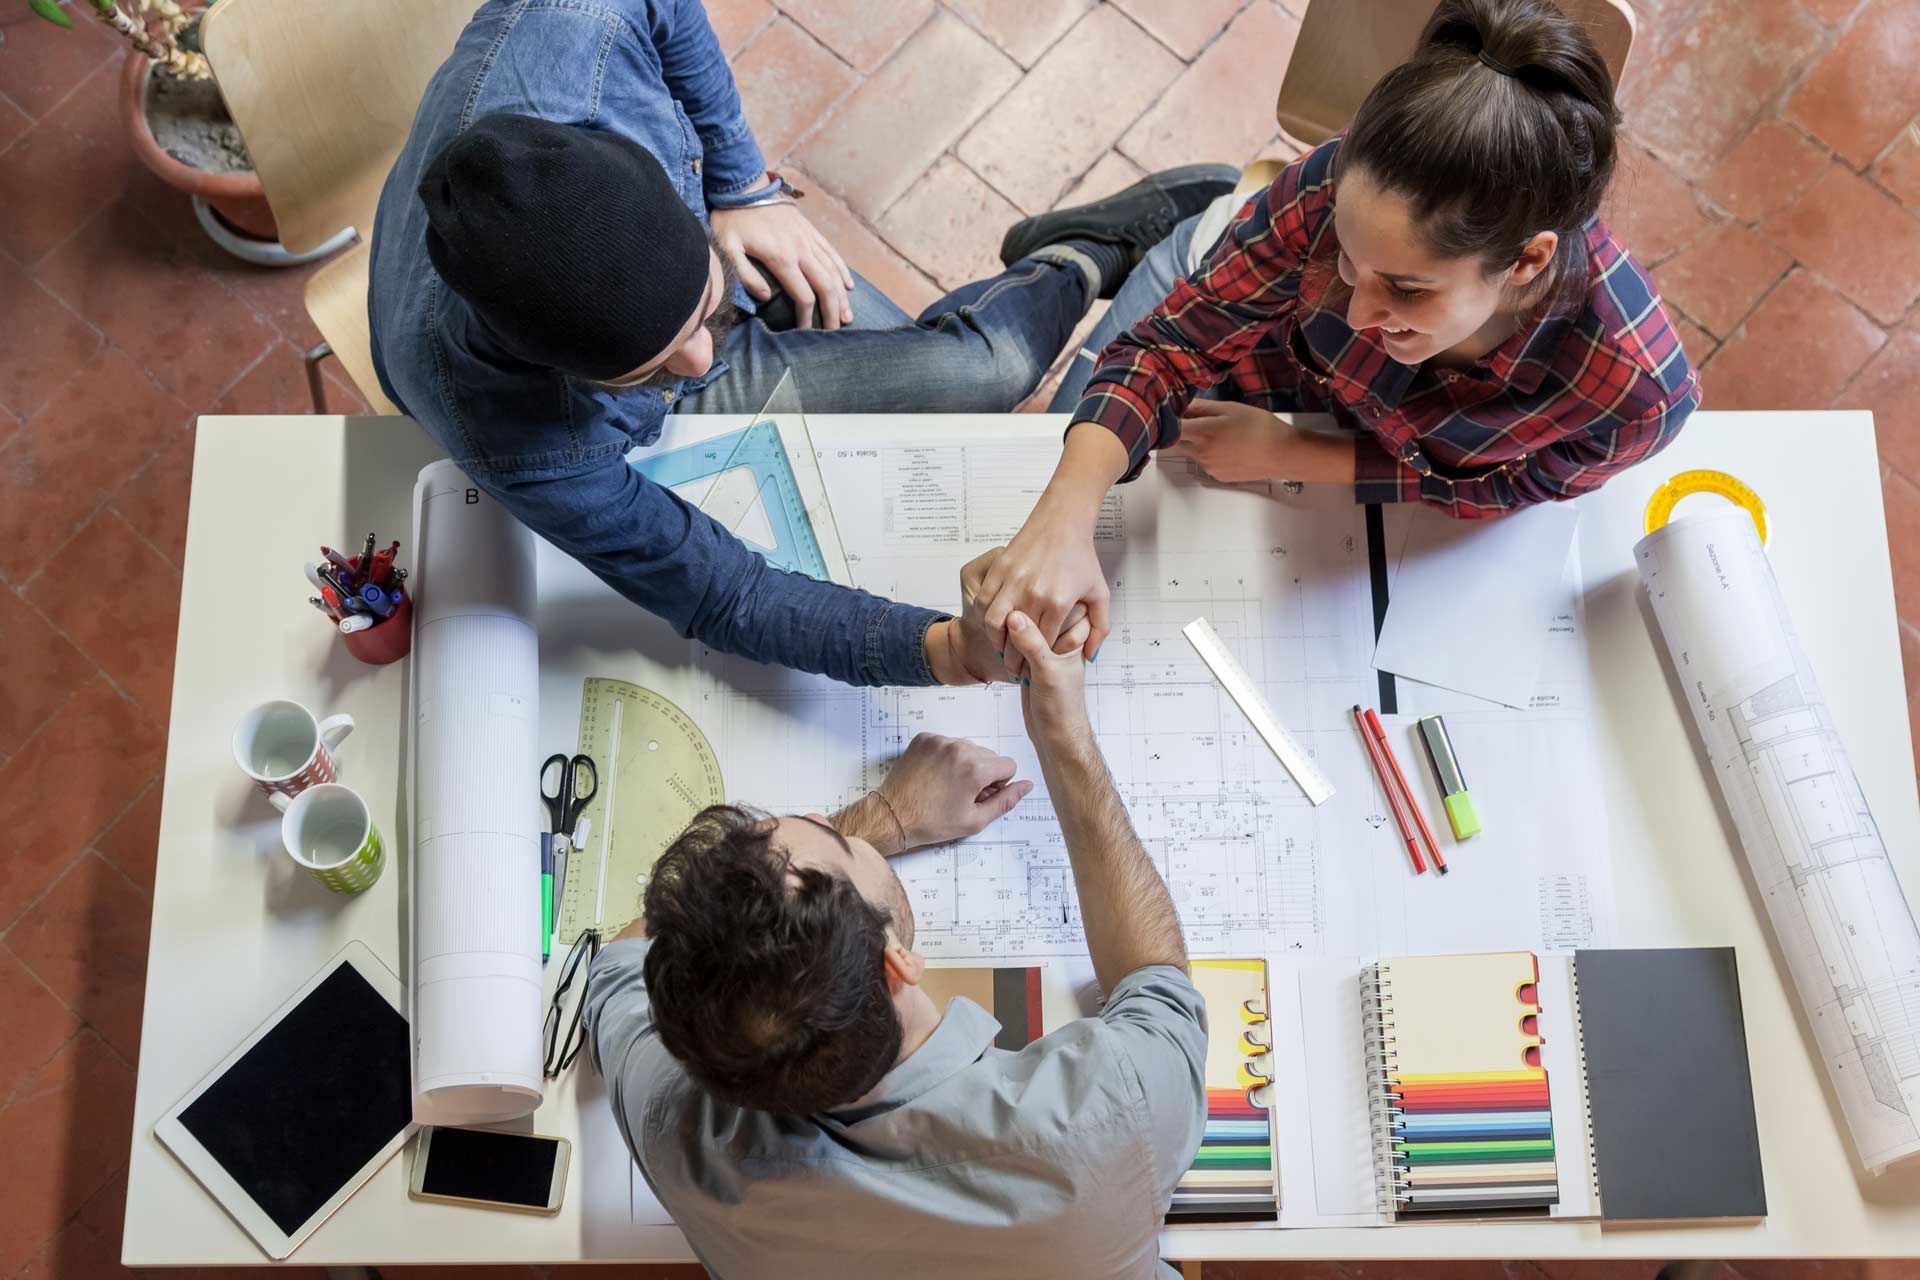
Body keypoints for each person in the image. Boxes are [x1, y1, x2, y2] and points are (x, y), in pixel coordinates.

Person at [368, 0, 1233, 689]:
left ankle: (1081, 254)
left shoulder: (575, 23)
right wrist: (944, 653)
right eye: (654, 368)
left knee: (987, 371)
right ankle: (1079, 262)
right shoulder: (509, 432)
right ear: (563, 372)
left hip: (720, 231)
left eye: (705, 316)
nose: (703, 362)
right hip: (588, 356)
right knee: (973, 387)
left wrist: (743, 187)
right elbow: (726, 590)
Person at [977, 0, 1700, 669]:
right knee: (1041, 425)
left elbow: (1506, 489)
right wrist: (1064, 517)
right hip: (1243, 365)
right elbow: (1169, 348)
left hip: (1275, 441)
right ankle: (1171, 225)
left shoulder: (1635, 398)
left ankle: (1168, 224)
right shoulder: (1334, 187)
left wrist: (1299, 454)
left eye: (1406, 289)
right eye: (1347, 265)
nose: (1357, 314)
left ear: (1528, 260)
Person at [584, 572, 1207, 1279]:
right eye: (842, 843)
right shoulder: (1111, 1108)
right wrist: (1065, 738)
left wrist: (883, 822)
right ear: (898, 964)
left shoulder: (680, 1135)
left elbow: (624, 957)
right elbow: (1158, 988)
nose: (826, 817)